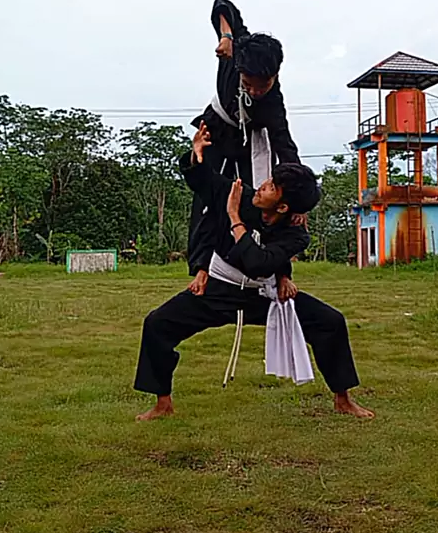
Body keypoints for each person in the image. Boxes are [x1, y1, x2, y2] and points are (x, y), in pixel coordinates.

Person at [134, 123, 375, 422]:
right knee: (158, 323)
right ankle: (162, 403)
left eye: (272, 187)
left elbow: (260, 263)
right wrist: (196, 156)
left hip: (264, 295)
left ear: (284, 207)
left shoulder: (296, 234)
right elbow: (205, 181)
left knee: (330, 322)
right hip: (219, 287)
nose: (263, 186)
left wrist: (235, 218)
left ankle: (343, 399)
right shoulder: (241, 194)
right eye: (270, 180)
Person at [188, 0, 302, 297]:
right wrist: (225, 36)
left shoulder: (273, 104)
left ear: (276, 75)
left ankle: (281, 274)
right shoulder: (236, 50)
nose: (255, 91)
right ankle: (202, 268)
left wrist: (296, 199)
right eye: (248, 84)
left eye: (263, 85)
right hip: (215, 132)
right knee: (208, 197)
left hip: (251, 144)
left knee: (268, 205)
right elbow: (221, 4)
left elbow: (285, 147)